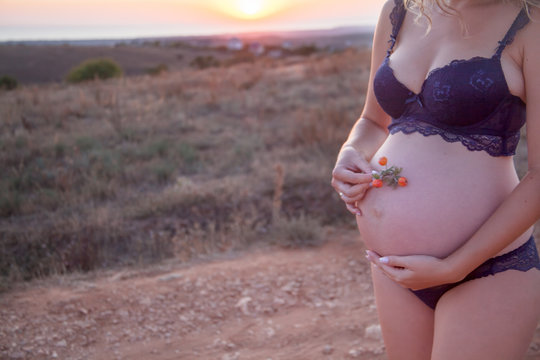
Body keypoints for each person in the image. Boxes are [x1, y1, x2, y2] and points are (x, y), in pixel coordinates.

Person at [331, 0, 540, 358]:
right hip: (394, 268)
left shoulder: (530, 23)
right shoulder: (400, 10)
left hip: (487, 270)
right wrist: (350, 151)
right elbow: (372, 121)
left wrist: (453, 266)